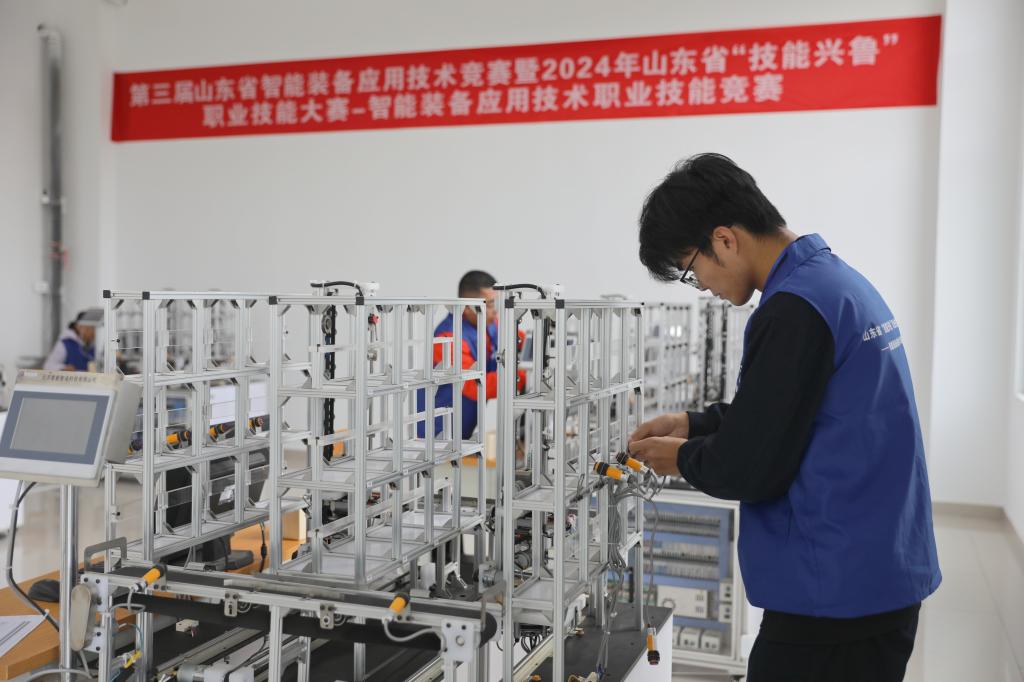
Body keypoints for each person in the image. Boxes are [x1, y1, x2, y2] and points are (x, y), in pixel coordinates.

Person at [629, 154, 941, 682]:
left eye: (691, 270)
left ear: (724, 239)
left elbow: (749, 468)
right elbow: (794, 411)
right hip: (874, 566)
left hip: (834, 593)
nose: (702, 286)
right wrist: (696, 424)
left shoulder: (793, 307)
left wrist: (679, 458)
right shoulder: (833, 283)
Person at [417, 271, 524, 439]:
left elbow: (519, 340)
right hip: (437, 436)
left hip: (464, 429)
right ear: (467, 306)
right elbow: (473, 385)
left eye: (496, 303)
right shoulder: (448, 337)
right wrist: (523, 376)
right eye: (490, 305)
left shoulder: (489, 324)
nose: (495, 311)